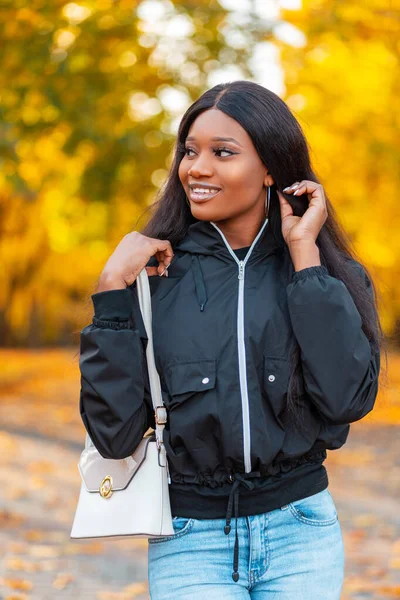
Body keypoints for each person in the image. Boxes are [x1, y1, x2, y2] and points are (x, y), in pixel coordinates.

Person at [78, 80, 384, 599]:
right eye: (190, 152)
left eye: (223, 153)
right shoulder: (154, 279)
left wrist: (304, 255)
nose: (197, 168)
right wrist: (111, 295)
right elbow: (116, 436)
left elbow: (347, 399)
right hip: (190, 539)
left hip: (301, 532)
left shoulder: (326, 275)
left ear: (270, 168)